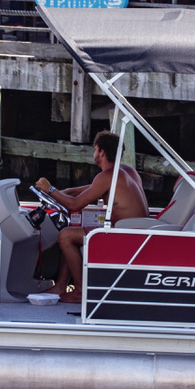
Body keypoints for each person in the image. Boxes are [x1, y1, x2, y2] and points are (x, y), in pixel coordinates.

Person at [34, 130, 147, 303]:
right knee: (72, 232)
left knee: (65, 235)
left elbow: (75, 205)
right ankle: (61, 286)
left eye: (95, 150)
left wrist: (49, 188)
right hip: (136, 232)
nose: (94, 154)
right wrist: (66, 191)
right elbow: (93, 188)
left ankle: (80, 291)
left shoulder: (107, 176)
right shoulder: (126, 171)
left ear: (101, 152)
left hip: (125, 236)